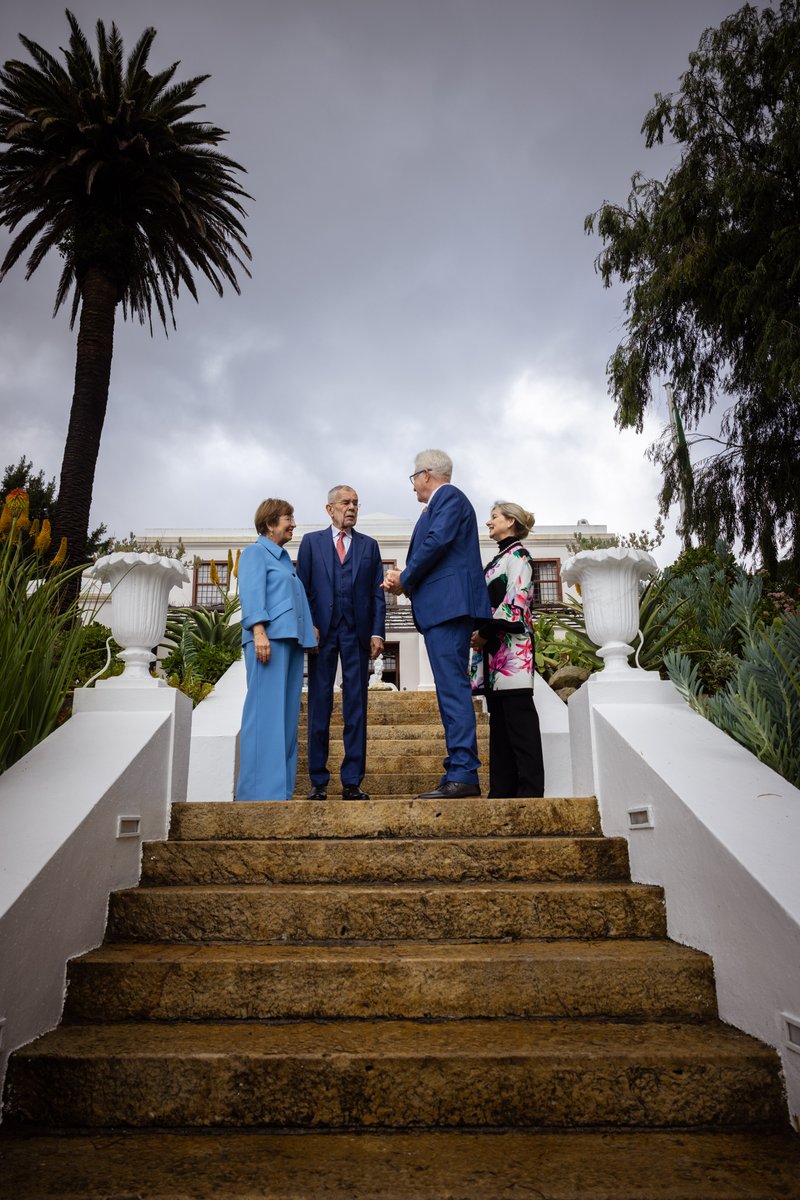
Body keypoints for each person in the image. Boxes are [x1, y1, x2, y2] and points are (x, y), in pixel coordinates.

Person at [383, 449, 491, 798]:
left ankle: (463, 774)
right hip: (441, 610)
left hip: (447, 610)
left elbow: (436, 542)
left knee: (452, 690)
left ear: (426, 474)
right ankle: (458, 771)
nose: (413, 485)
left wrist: (404, 578)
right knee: (449, 691)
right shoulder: (442, 504)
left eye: (414, 478)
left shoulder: (450, 498)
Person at [296, 484, 386, 800]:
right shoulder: (310, 543)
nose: (352, 507)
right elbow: (303, 591)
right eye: (346, 502)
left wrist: (377, 632)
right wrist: (309, 628)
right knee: (319, 704)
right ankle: (318, 781)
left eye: (356, 503)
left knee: (356, 707)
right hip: (322, 635)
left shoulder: (370, 546)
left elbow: (377, 594)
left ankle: (352, 781)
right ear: (329, 508)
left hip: (357, 633)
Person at [236, 498, 317, 801]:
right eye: (288, 518)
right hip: (266, 642)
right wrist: (258, 631)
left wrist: (309, 632)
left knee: (285, 720)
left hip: (291, 643)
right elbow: (252, 593)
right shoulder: (256, 553)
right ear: (270, 524)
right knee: (264, 716)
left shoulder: (283, 559)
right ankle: (256, 794)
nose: (293, 523)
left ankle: (280, 791)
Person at [470, 501, 545, 798]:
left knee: (520, 722)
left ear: (511, 521)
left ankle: (529, 792)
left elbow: (515, 602)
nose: (489, 522)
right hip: (493, 655)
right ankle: (501, 792)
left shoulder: (519, 557)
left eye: (494, 517)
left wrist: (485, 633)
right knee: (500, 724)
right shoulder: (497, 560)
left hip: (513, 654)